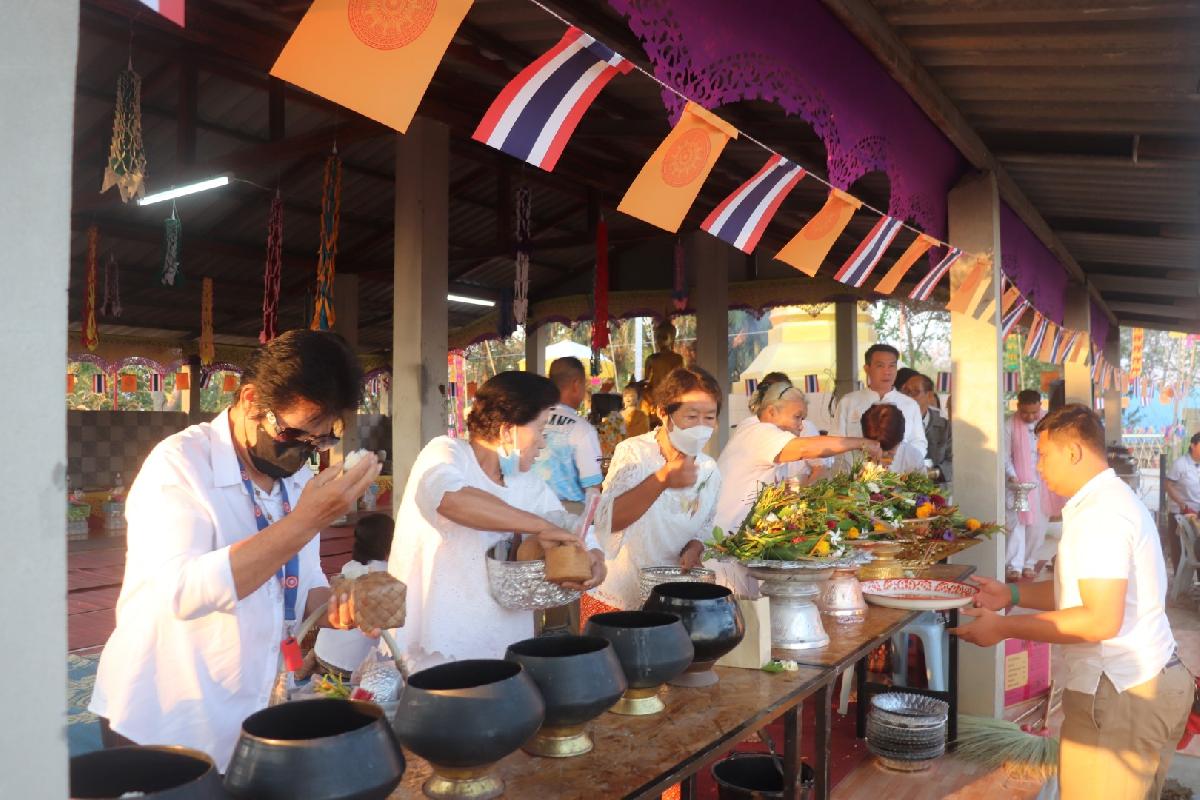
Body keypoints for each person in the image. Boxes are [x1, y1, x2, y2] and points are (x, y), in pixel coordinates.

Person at [89, 330, 383, 769]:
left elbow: (305, 582)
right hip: (168, 719)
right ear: (250, 400)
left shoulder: (297, 480)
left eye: (319, 441)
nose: (302, 452)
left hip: (253, 710)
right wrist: (304, 522)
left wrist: (337, 606)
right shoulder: (180, 465)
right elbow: (181, 592)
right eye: (293, 433)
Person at [952, 405, 1191, 800]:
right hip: (1144, 682)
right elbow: (1083, 590)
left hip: (1123, 692)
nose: (1038, 466)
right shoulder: (1108, 501)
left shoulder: (1101, 514)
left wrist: (1003, 628)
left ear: (1074, 452)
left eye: (1043, 455)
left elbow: (1099, 620)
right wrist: (1012, 594)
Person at [388, 371, 606, 671]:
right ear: (507, 430)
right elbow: (451, 500)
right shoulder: (446, 453)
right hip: (439, 647)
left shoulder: (525, 482)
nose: (543, 443)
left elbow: (567, 523)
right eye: (540, 429)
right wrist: (540, 526)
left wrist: (595, 557)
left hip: (504, 646)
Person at [586, 367, 726, 615]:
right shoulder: (635, 453)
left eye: (709, 417)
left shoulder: (709, 469)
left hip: (671, 601)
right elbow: (608, 521)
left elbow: (704, 526)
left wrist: (695, 548)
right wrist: (661, 479)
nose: (701, 427)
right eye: (691, 416)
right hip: (618, 600)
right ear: (663, 413)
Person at [714, 381, 883, 535]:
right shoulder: (759, 431)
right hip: (723, 538)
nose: (801, 426)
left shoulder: (758, 429)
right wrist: (862, 443)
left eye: (803, 419)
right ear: (771, 412)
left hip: (738, 536)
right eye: (797, 417)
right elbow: (805, 448)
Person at [310, 513, 395, 680]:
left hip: (323, 653)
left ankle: (313, 661)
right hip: (352, 668)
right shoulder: (389, 575)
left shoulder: (349, 567)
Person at [533, 357, 604, 511]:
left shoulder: (529, 420)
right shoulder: (582, 429)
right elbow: (593, 487)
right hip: (568, 514)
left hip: (525, 511)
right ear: (576, 384)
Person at [1004, 389, 1060, 581]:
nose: (1029, 417)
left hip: (1042, 482)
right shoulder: (1009, 425)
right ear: (1018, 407)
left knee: (1037, 526)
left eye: (1034, 412)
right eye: (1025, 412)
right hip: (1019, 484)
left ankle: (1029, 562)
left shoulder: (1049, 424)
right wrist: (1013, 476)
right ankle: (1014, 566)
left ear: (1040, 406)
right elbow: (1005, 456)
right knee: (1017, 525)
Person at [834, 344, 927, 458]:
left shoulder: (910, 405)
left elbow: (919, 444)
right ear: (867, 369)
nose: (887, 372)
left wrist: (900, 451)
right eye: (880, 366)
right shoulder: (848, 402)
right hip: (856, 468)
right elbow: (835, 441)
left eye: (892, 366)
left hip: (898, 468)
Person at [900, 372, 952, 483]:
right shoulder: (894, 422)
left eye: (915, 392)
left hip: (937, 488)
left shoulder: (945, 427)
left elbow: (954, 462)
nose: (909, 397)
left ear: (929, 396)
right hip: (901, 486)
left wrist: (932, 473)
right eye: (906, 392)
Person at [1164, 432, 1200, 570]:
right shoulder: (1180, 464)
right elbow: (1168, 485)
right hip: (1180, 513)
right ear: (1193, 445)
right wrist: (1182, 504)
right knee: (1180, 551)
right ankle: (1179, 579)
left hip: (1197, 513)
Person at [860, 404, 924, 473]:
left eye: (890, 450)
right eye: (876, 447)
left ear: (900, 441)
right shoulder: (856, 454)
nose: (883, 454)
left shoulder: (913, 459)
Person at [642, 319, 685, 418]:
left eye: (664, 337)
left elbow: (681, 380)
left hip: (672, 396)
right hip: (654, 398)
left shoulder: (678, 359)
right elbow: (646, 382)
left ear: (672, 339)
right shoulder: (651, 359)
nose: (660, 340)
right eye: (658, 337)